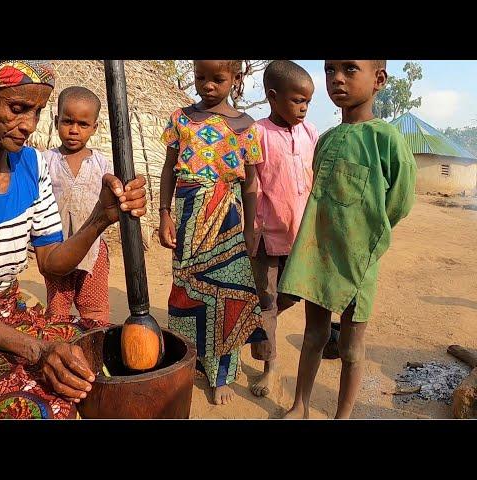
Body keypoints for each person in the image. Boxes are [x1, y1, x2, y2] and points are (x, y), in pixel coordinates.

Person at [0, 60, 146, 419]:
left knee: (104, 357)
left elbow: (51, 260)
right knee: (35, 409)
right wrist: (37, 350)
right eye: (18, 109)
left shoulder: (32, 166)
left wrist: (101, 217)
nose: (29, 126)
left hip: (15, 315)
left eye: (37, 112)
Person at [278, 60, 417, 419]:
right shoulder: (325, 140)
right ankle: (300, 404)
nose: (337, 78)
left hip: (359, 263)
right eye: (330, 70)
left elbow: (399, 203)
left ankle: (343, 416)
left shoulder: (386, 140)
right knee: (314, 336)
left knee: (352, 349)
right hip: (318, 256)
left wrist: (366, 237)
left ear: (379, 80)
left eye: (350, 69)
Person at [159, 60, 267, 405]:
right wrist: (164, 215)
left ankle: (222, 373)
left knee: (228, 293)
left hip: (228, 221)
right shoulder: (180, 118)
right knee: (187, 290)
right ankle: (189, 360)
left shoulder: (246, 126)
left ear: (236, 79)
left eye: (217, 78)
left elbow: (250, 184)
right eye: (200, 76)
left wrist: (250, 229)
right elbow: (168, 170)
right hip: (188, 216)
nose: (207, 84)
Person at [243, 60, 319, 398]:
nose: (303, 108)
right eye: (297, 100)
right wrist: (247, 228)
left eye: (307, 102)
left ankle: (255, 319)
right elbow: (248, 185)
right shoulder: (257, 133)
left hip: (301, 236)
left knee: (293, 293)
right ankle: (271, 366)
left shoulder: (311, 133)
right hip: (265, 236)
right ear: (273, 97)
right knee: (269, 300)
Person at [42, 86, 112, 323]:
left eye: (83, 125)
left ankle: (93, 353)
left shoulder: (102, 164)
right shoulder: (45, 161)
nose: (73, 130)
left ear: (94, 127)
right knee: (57, 311)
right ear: (56, 121)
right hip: (56, 249)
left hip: (93, 251)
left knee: (95, 311)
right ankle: (59, 353)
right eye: (67, 121)